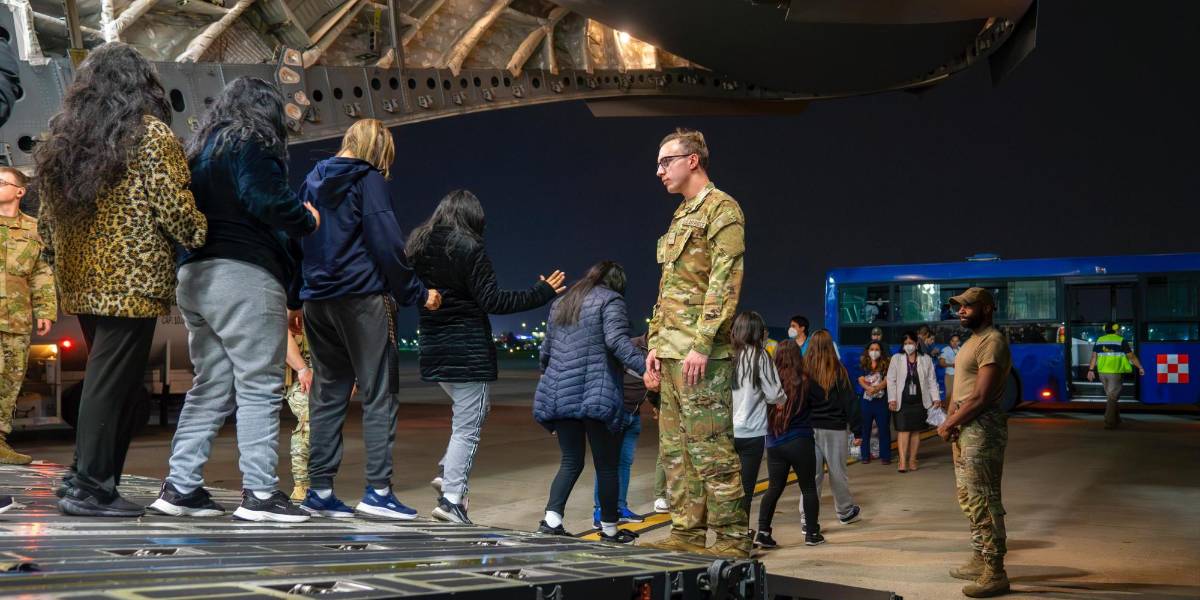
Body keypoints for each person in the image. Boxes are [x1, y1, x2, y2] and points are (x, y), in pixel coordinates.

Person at [34, 43, 207, 517]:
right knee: (111, 383)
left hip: (81, 279)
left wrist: (59, 262)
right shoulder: (148, 134)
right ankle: (91, 487)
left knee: (116, 384)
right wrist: (199, 232)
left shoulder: (63, 137)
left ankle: (86, 477)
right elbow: (173, 205)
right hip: (131, 282)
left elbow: (46, 219)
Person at [154, 77, 318, 523]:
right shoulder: (252, 140)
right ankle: (260, 494)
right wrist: (306, 219)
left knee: (211, 384)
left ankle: (181, 487)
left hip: (194, 276)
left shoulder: (199, 151)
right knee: (260, 384)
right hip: (243, 273)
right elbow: (265, 198)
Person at [298, 118, 437, 520]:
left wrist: (296, 295)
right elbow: (387, 243)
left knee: (328, 393)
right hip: (360, 297)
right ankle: (378, 492)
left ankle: (319, 491)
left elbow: (296, 237)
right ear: (378, 150)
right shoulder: (368, 178)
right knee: (379, 392)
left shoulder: (310, 180)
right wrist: (416, 293)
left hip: (316, 299)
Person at [409, 189, 564, 524]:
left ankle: (447, 471)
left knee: (473, 412)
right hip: (466, 350)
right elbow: (494, 301)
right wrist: (542, 293)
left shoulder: (418, 245)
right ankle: (452, 500)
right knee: (469, 424)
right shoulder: (469, 247)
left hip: (434, 349)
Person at [641, 128, 749, 558]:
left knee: (711, 448)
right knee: (676, 452)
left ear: (693, 160)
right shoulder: (681, 215)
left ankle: (732, 539)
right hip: (671, 352)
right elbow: (668, 288)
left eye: (665, 161)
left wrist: (702, 343)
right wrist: (654, 342)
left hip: (700, 356)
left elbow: (724, 282)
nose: (659, 171)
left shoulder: (722, 208)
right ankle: (686, 533)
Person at [533, 261, 644, 543]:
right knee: (606, 465)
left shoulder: (562, 302)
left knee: (571, 460)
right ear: (617, 283)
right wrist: (649, 369)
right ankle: (609, 530)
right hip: (597, 395)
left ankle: (551, 520)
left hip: (560, 394)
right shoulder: (611, 300)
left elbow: (546, 352)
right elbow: (617, 343)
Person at [937, 287, 1013, 597]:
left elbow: (981, 396)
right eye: (959, 306)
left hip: (982, 429)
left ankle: (995, 572)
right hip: (965, 428)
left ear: (987, 308)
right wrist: (951, 418)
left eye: (968, 306)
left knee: (984, 499)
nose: (961, 311)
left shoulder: (992, 341)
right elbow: (961, 389)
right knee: (969, 497)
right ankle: (980, 558)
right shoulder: (971, 342)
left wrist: (949, 422)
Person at [0, 167, 55, 465]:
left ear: (20, 191)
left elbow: (41, 273)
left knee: (11, 380)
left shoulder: (34, 229)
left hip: (17, 319)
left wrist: (45, 310)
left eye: (1, 182)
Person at [755, 340, 823, 548]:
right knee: (808, 487)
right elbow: (821, 400)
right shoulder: (806, 380)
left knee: (774, 488)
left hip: (774, 442)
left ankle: (763, 532)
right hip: (800, 440)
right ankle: (812, 533)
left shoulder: (769, 382)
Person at [729, 311, 784, 545]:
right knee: (746, 489)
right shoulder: (760, 356)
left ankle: (725, 535)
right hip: (752, 432)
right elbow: (774, 394)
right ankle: (740, 537)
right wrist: (781, 400)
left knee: (725, 488)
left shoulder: (727, 355)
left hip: (725, 432)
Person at [798, 330, 861, 527]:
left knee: (811, 477)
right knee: (837, 473)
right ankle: (845, 512)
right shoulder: (839, 371)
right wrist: (858, 430)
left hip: (809, 430)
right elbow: (850, 402)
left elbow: (799, 403)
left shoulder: (803, 372)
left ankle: (807, 519)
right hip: (835, 429)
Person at [591, 332, 653, 527]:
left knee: (624, 463)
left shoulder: (660, 352)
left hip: (634, 415)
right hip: (616, 413)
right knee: (608, 464)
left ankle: (619, 507)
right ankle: (600, 511)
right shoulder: (630, 346)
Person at [886, 331, 939, 472]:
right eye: (905, 343)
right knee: (903, 430)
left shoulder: (926, 359)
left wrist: (936, 398)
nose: (908, 346)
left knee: (915, 431)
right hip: (902, 401)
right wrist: (892, 399)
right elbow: (891, 380)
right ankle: (902, 461)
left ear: (916, 344)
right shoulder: (896, 358)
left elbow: (932, 380)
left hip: (920, 401)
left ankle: (912, 459)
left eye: (911, 343)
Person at [1087, 322, 1145, 429]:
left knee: (1111, 396)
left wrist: (1091, 370)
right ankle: (1109, 422)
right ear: (1115, 329)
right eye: (1119, 329)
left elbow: (1094, 357)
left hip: (1102, 373)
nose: (1120, 331)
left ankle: (1116, 419)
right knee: (1112, 397)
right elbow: (1131, 356)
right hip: (1115, 372)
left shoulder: (1100, 340)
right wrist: (1140, 367)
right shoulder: (1120, 340)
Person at [284, 330, 313, 501]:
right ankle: (301, 486)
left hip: (328, 370)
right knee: (308, 419)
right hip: (299, 370)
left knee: (327, 429)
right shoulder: (294, 314)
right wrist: (302, 369)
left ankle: (322, 487)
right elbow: (283, 333)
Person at [858, 341, 891, 465]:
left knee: (884, 429)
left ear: (881, 351)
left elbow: (887, 380)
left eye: (877, 349)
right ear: (868, 351)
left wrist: (876, 388)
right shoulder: (863, 364)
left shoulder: (886, 364)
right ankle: (865, 456)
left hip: (881, 402)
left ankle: (885, 456)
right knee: (865, 429)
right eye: (872, 349)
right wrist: (868, 388)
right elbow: (860, 379)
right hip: (866, 402)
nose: (874, 352)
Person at [941, 334, 962, 402]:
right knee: (949, 394)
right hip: (950, 375)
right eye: (953, 341)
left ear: (959, 342)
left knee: (959, 394)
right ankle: (948, 408)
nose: (955, 343)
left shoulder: (961, 349)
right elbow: (941, 363)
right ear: (950, 341)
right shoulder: (945, 350)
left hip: (960, 375)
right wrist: (952, 365)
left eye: (957, 341)